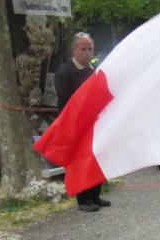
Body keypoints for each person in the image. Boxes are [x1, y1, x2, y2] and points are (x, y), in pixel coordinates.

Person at [54, 32, 110, 212]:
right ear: (74, 50)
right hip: (74, 125)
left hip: (92, 122)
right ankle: (84, 200)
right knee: (80, 161)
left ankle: (95, 195)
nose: (87, 52)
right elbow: (67, 100)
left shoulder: (92, 70)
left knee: (94, 158)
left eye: (90, 48)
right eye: (83, 49)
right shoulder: (64, 72)